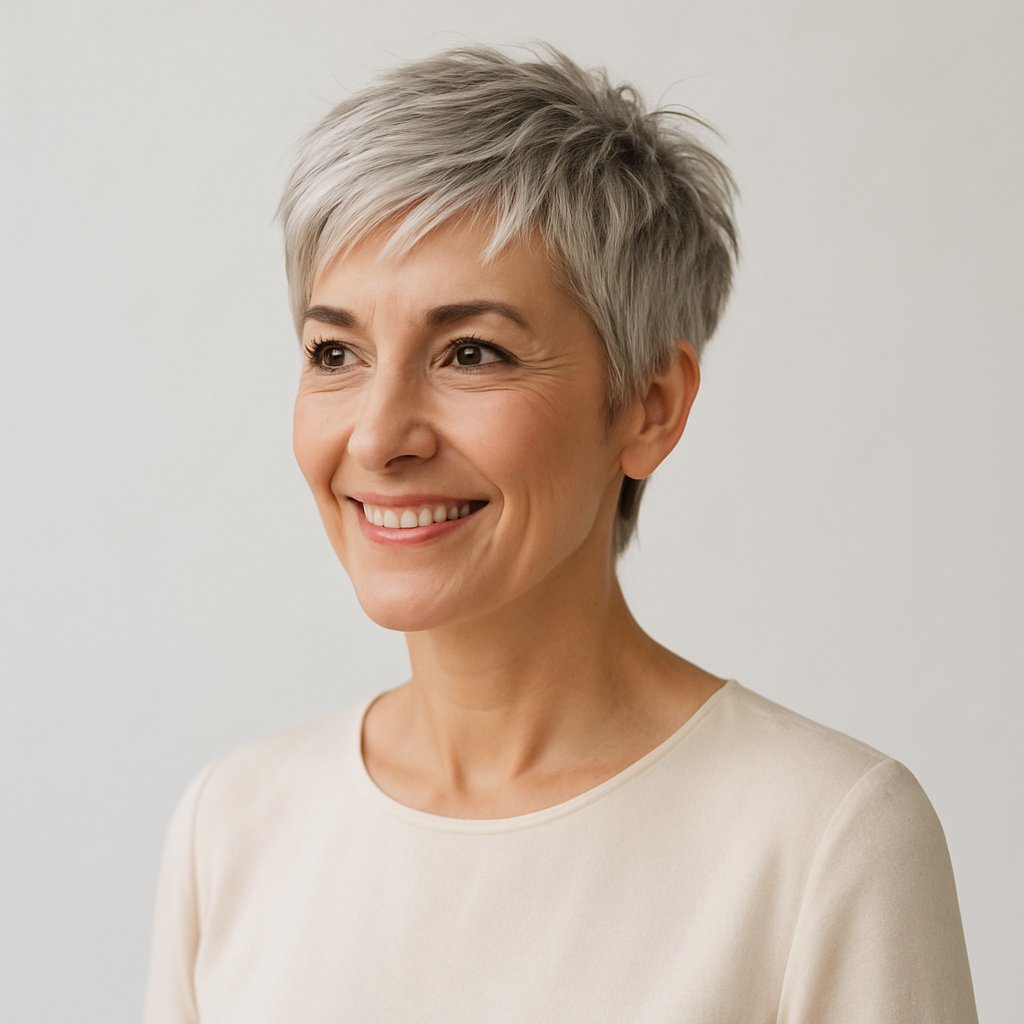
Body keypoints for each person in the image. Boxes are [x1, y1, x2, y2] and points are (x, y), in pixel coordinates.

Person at [143, 44, 978, 1023]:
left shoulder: (825, 838)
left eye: (471, 352)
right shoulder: (232, 828)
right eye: (335, 352)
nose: (376, 436)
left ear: (649, 407)